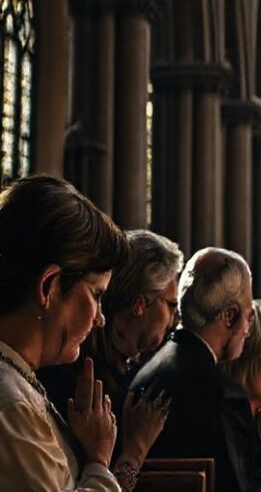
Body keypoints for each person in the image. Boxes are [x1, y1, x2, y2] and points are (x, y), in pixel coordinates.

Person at [0, 175, 138, 489]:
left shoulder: (19, 382)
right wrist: (99, 462)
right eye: (96, 295)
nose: (101, 319)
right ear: (50, 285)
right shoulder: (11, 407)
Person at [130, 247, 261, 492]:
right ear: (230, 316)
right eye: (249, 318)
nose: (247, 330)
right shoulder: (222, 394)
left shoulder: (148, 371)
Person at [39, 230, 181, 450]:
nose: (175, 320)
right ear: (139, 305)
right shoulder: (78, 377)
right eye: (171, 305)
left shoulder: (128, 370)